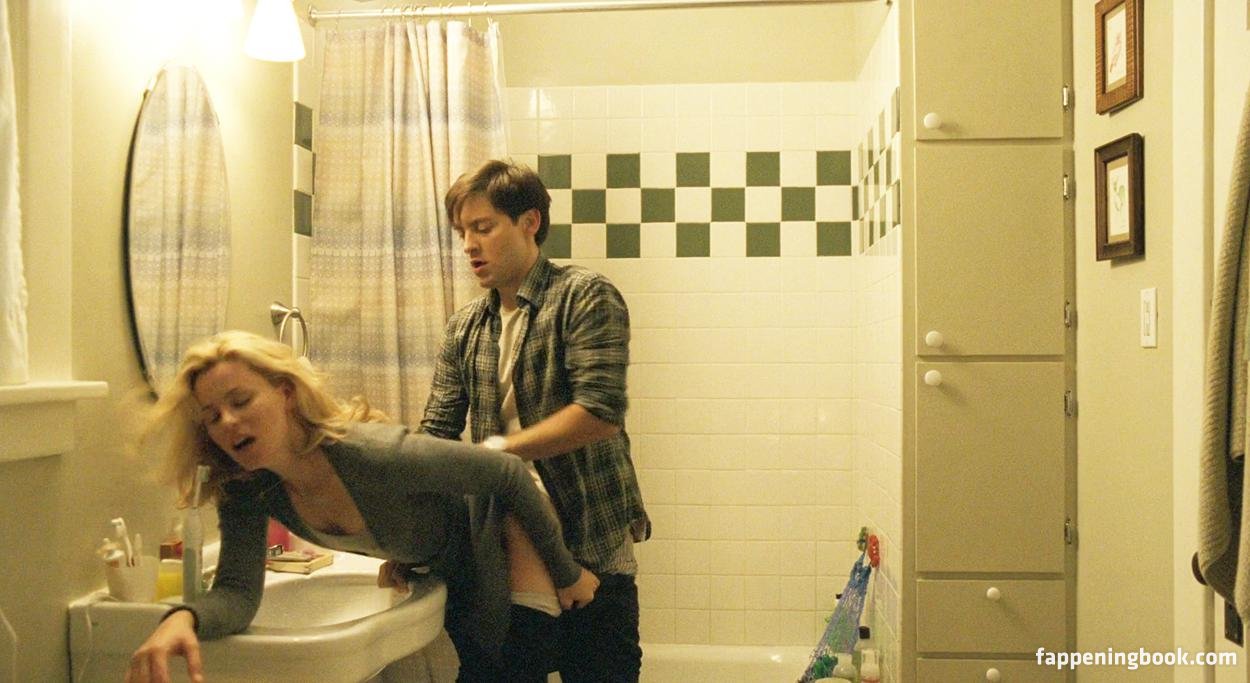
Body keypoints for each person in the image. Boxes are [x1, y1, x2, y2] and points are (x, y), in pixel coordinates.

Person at [125, 331, 599, 683]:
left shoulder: (369, 454)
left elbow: (507, 473)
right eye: (211, 416)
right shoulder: (249, 488)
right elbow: (237, 592)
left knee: (510, 669)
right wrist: (182, 618)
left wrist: (566, 572)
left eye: (241, 400)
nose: (227, 422)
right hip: (448, 565)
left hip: (501, 534)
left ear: (285, 393)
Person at [422, 159, 650, 682]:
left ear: (530, 222)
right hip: (506, 550)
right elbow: (434, 434)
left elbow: (599, 413)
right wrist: (407, 536)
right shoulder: (464, 328)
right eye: (462, 232)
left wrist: (497, 454)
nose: (469, 246)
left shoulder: (583, 295)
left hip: (591, 543)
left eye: (483, 227)